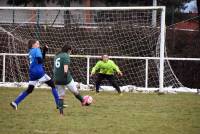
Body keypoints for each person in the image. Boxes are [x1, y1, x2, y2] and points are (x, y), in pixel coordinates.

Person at [10, 39, 59, 112]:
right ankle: (59, 104)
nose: (38, 44)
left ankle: (15, 102)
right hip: (38, 72)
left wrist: (44, 51)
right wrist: (44, 51)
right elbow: (41, 61)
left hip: (32, 73)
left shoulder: (31, 51)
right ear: (33, 45)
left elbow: (39, 61)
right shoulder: (37, 50)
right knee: (53, 85)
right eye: (37, 43)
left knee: (30, 89)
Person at [53, 44, 88, 115]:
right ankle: (83, 101)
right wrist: (65, 74)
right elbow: (65, 66)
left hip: (57, 79)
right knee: (75, 91)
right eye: (71, 51)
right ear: (69, 50)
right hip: (65, 78)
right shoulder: (66, 55)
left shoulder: (57, 55)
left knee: (61, 96)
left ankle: (61, 113)